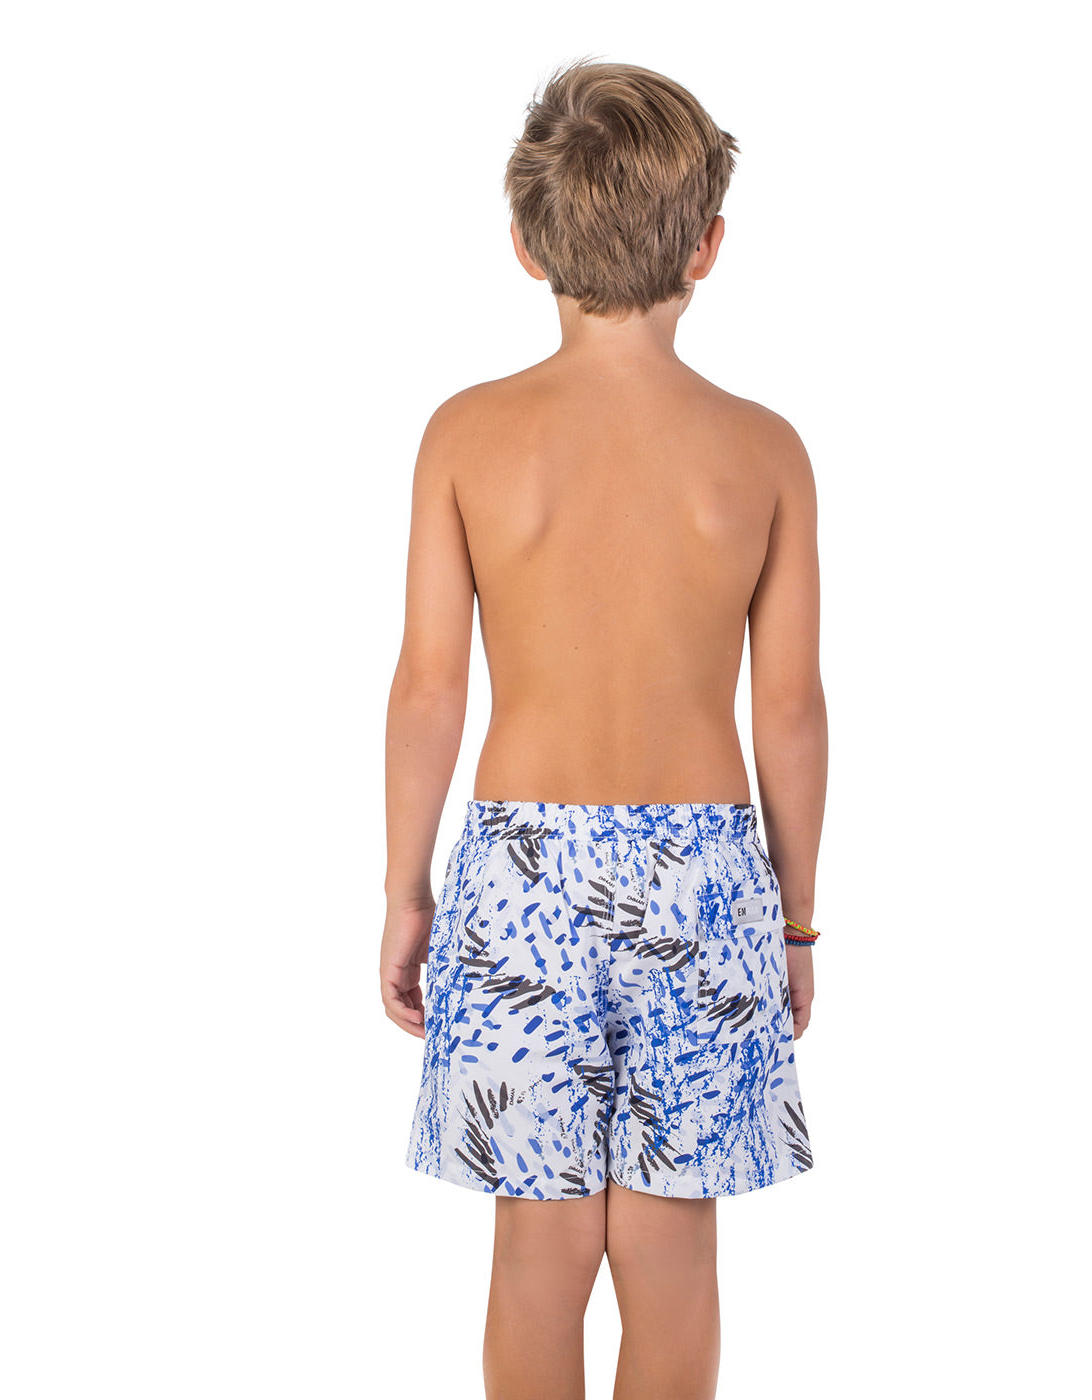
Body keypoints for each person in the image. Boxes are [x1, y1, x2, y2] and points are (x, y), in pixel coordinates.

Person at [380, 57, 827, 1400]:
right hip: (706, 876)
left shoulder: (467, 436)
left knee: (539, 1250)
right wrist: (796, 922)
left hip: (520, 877)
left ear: (524, 244)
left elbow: (428, 688)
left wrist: (406, 893)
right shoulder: (763, 452)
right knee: (673, 1255)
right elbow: (789, 710)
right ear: (709, 246)